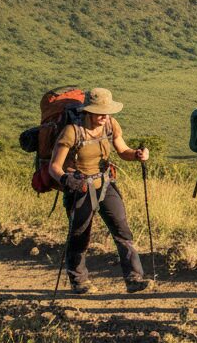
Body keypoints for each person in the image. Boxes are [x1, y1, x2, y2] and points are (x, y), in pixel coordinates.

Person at [47, 88, 151, 294]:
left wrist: (138, 155)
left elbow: (123, 151)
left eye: (107, 112)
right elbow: (54, 167)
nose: (105, 116)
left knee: (122, 229)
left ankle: (134, 279)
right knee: (80, 234)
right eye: (100, 112)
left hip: (105, 183)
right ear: (88, 111)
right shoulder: (72, 131)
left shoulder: (111, 124)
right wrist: (66, 179)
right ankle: (79, 281)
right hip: (81, 187)